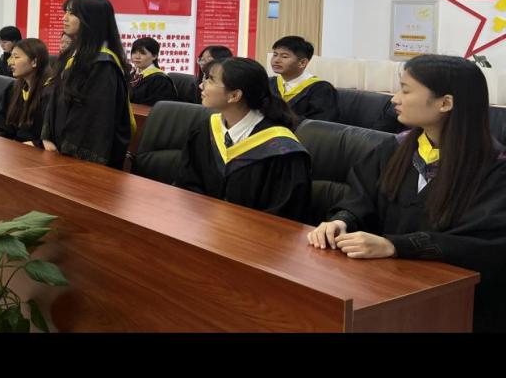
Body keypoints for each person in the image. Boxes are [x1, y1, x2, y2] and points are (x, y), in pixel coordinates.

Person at [308, 55, 506, 332]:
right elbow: (362, 198)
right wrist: (342, 220)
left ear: (445, 103)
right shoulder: (395, 149)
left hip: (454, 305)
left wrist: (396, 245)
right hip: (385, 289)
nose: (394, 99)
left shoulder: (494, 168)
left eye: (405, 90)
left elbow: (484, 244)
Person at [176, 57, 312, 223]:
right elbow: (187, 183)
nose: (201, 86)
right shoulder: (205, 129)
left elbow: (285, 215)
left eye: (211, 80)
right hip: (202, 228)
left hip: (254, 234)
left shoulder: (282, 150)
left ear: (234, 95)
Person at [42, 0, 133, 169]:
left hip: (80, 163)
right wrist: (47, 137)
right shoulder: (74, 55)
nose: (64, 18)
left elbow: (93, 120)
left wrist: (66, 153)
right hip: (57, 151)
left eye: (72, 13)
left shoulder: (103, 66)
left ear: (91, 19)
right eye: (66, 12)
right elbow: (56, 101)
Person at [0, 38, 53, 148]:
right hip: (13, 149)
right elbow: (3, 125)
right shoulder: (14, 89)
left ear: (34, 62)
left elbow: (52, 139)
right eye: (11, 57)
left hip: (35, 152)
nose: (10, 62)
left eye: (16, 57)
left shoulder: (51, 93)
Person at [269, 35, 338, 122]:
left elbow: (320, 123)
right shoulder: (269, 83)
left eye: (284, 56)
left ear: (302, 63)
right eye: (275, 55)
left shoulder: (321, 89)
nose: (276, 60)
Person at [128, 37, 178, 106]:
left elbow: (157, 107)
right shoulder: (132, 75)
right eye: (134, 52)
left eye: (142, 53)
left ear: (154, 56)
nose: (137, 57)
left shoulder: (160, 80)